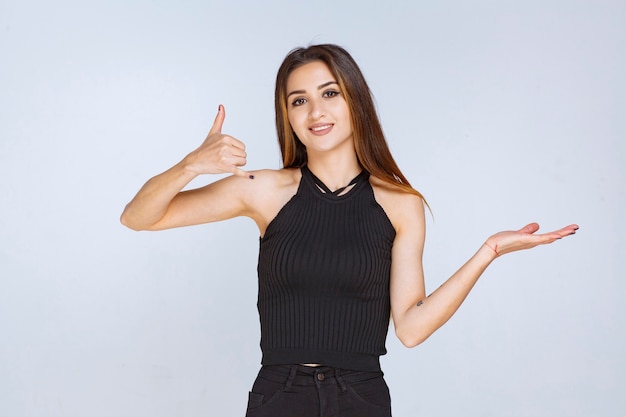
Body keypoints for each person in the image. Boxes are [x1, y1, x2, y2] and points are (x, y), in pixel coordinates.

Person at [120, 44, 578, 417]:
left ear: (354, 99)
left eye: (330, 93)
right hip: (280, 396)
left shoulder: (401, 204)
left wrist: (488, 252)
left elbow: (412, 328)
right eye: (299, 100)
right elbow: (138, 217)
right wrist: (190, 165)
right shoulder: (263, 190)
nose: (315, 111)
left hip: (361, 397)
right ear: (288, 115)